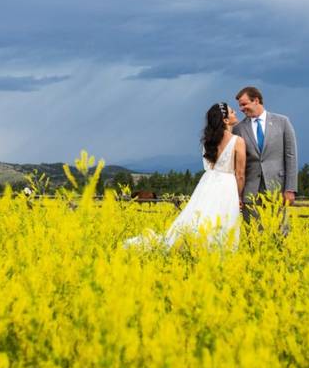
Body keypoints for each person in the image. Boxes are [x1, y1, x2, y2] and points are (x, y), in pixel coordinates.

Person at [124, 102, 246, 250]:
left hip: (208, 183)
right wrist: (239, 195)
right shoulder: (238, 141)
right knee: (222, 219)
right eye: (232, 112)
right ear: (225, 120)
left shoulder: (208, 142)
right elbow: (240, 174)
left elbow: (209, 166)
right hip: (227, 185)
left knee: (201, 217)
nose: (235, 114)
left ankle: (193, 246)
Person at [233, 86, 298, 224]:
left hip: (277, 190)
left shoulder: (282, 122)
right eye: (239, 106)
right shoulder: (238, 128)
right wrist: (237, 194)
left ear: (256, 100)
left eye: (244, 104)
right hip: (250, 192)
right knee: (253, 236)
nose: (241, 109)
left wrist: (290, 189)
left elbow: (291, 156)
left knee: (279, 234)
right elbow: (236, 164)